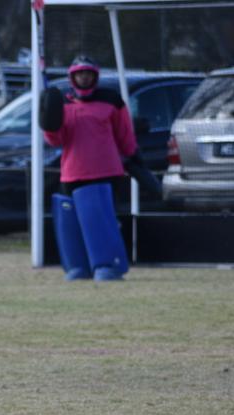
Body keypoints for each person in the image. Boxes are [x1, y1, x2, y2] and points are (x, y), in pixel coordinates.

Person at [40, 55, 138, 282]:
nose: (84, 78)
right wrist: (49, 123)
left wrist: (133, 155)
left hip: (104, 172)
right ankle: (77, 267)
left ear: (95, 75)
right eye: (79, 74)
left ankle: (107, 266)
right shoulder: (64, 104)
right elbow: (56, 140)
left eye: (88, 73)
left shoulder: (111, 101)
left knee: (100, 218)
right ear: (72, 77)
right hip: (72, 172)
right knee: (71, 220)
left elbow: (125, 134)